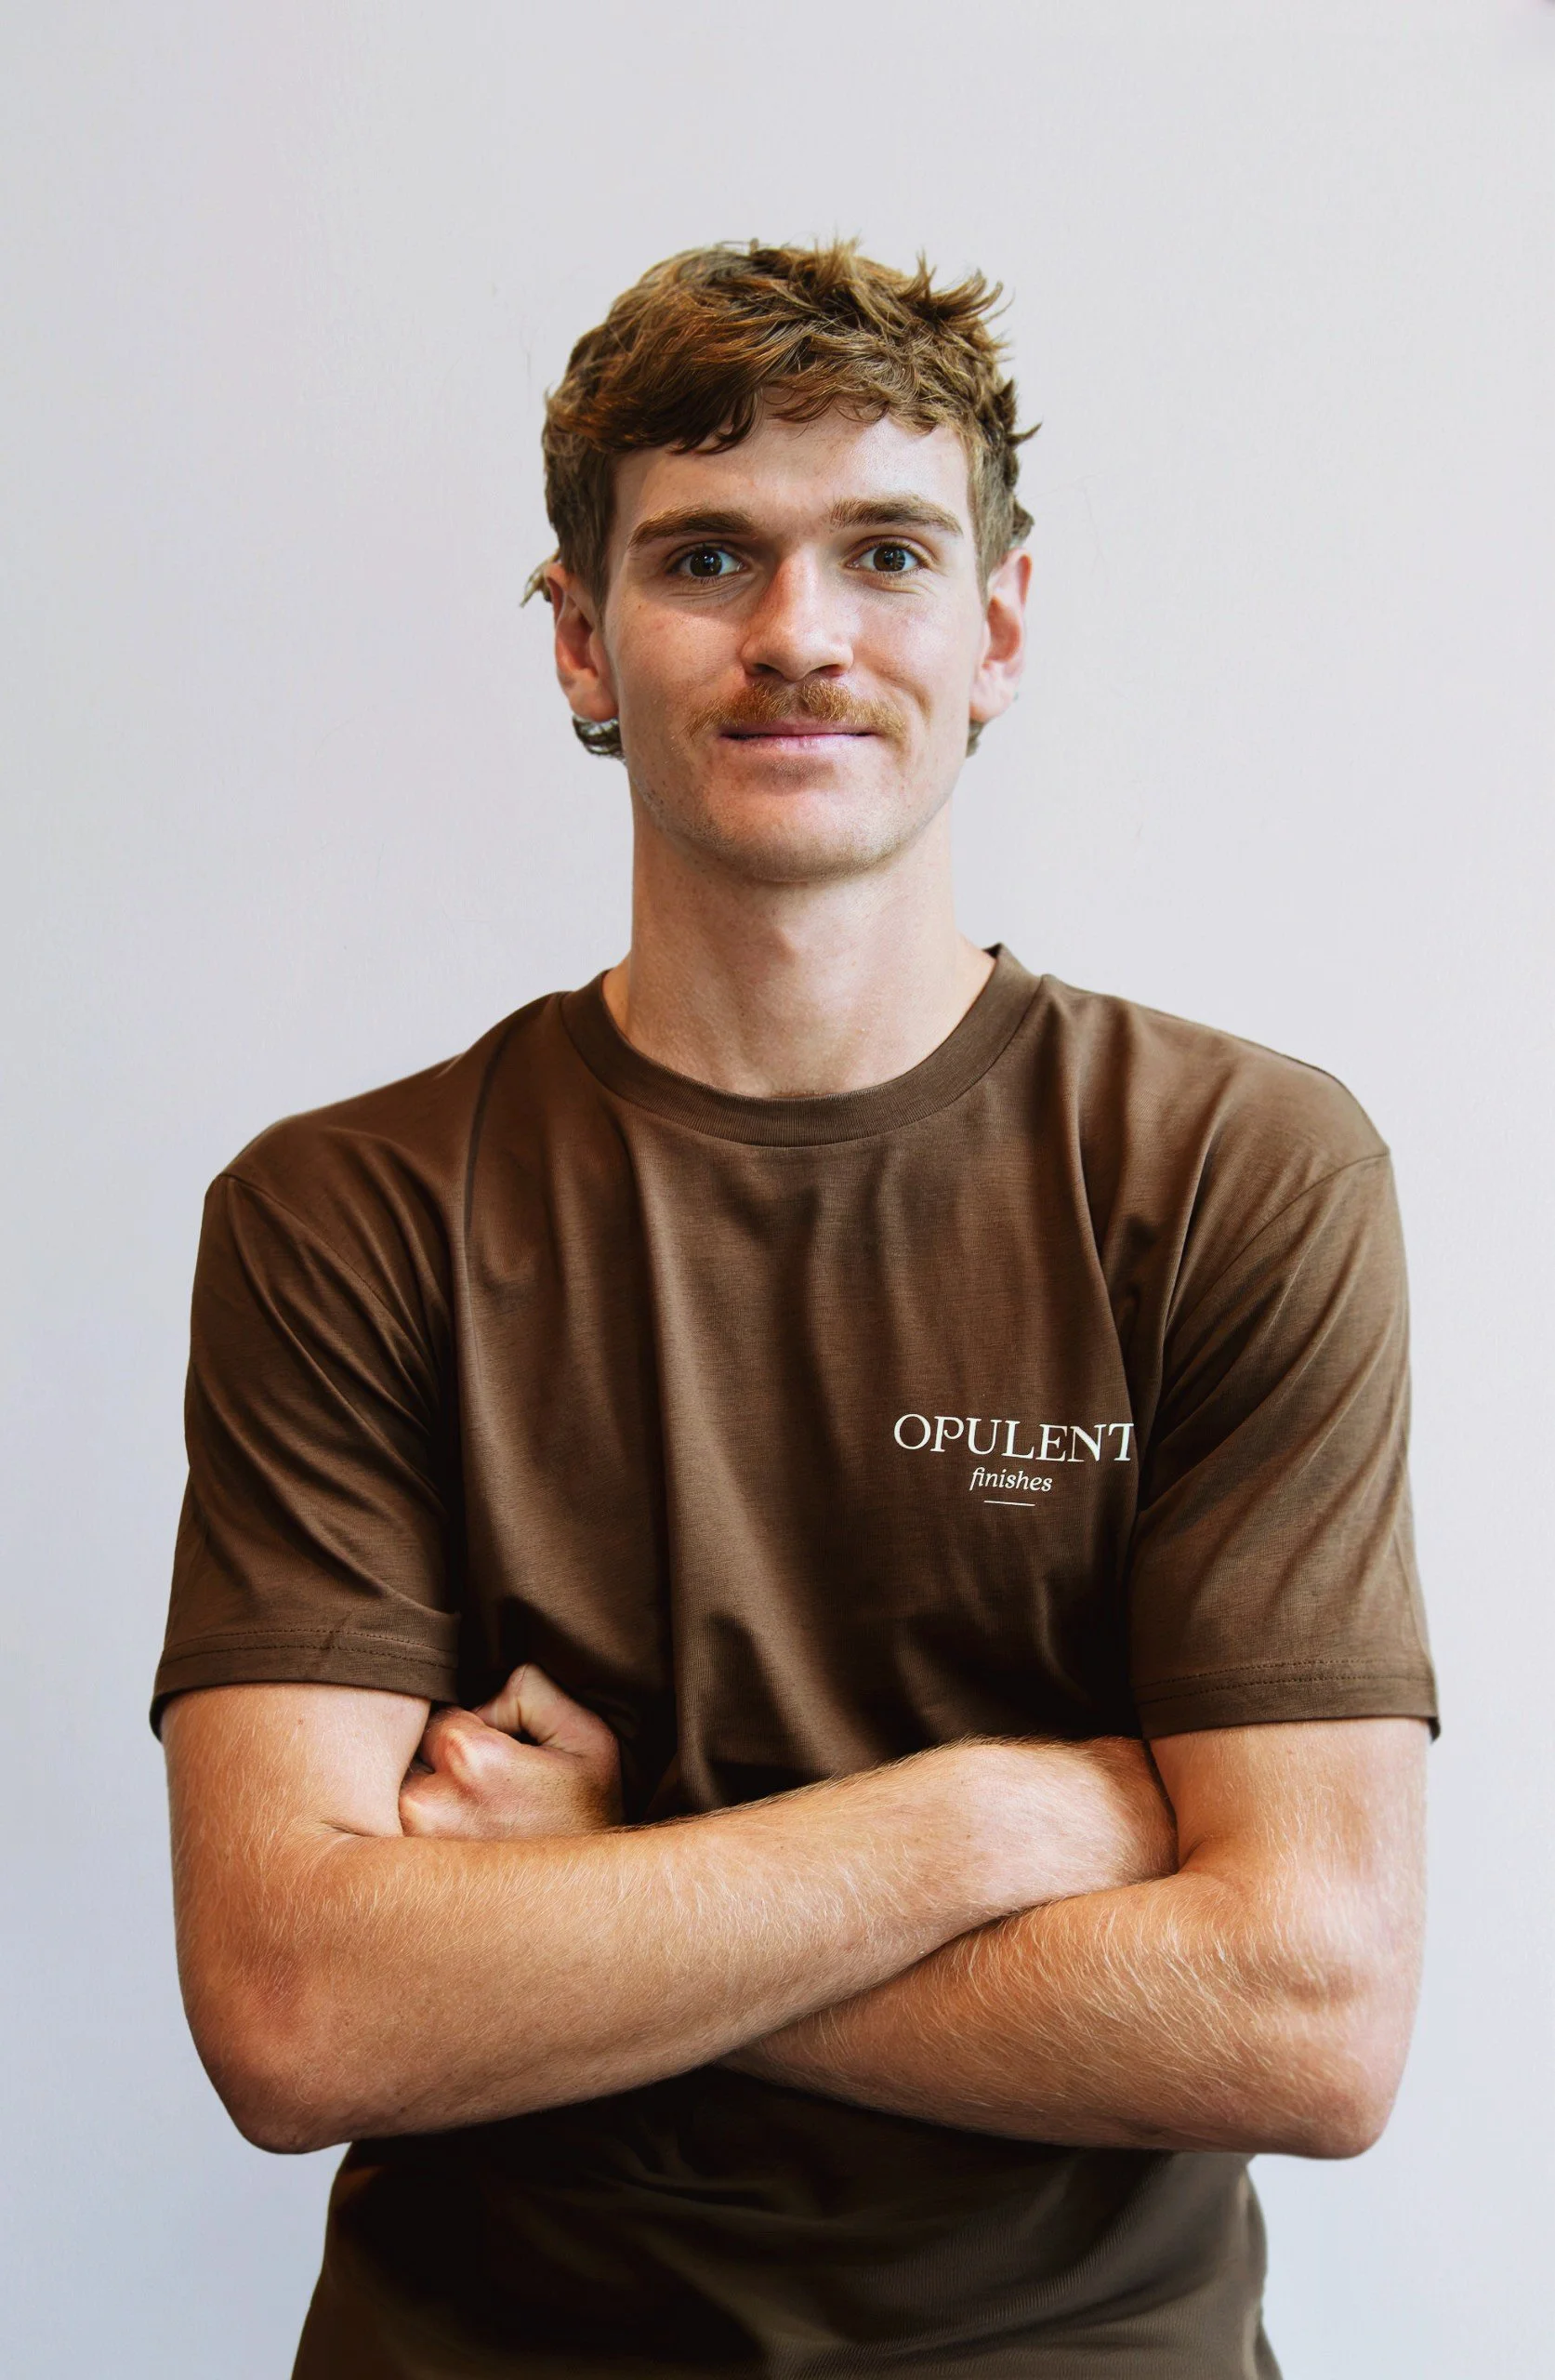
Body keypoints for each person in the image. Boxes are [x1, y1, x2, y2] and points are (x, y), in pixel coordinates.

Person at [154, 241, 1438, 2380]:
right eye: (704, 557)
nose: (798, 633)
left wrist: (605, 1876)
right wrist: (986, 1819)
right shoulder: (346, 1211)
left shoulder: (1230, 1168)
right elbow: (297, 2006)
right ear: (579, 638)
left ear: (994, 626)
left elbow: (1305, 2016)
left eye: (884, 552)